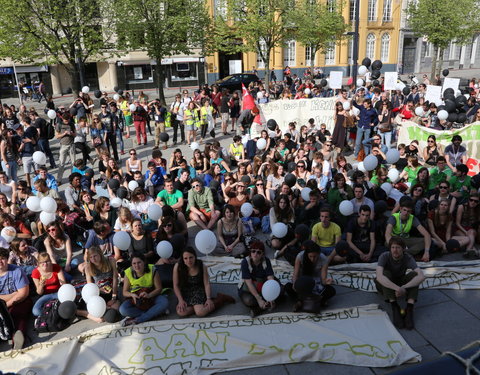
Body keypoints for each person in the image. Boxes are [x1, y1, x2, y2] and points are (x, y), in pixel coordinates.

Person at [375, 237, 425, 329]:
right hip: (385, 286)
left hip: (400, 282)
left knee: (414, 275)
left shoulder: (408, 257)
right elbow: (379, 277)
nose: (395, 250)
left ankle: (409, 309)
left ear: (403, 249)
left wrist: (404, 287)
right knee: (385, 274)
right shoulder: (384, 256)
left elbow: (421, 276)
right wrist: (397, 288)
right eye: (393, 247)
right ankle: (394, 307)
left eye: (398, 247)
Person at [173, 248, 235, 317]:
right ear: (183, 259)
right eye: (185, 258)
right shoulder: (178, 267)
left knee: (200, 313)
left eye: (191, 257)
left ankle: (220, 299)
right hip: (185, 291)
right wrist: (180, 300)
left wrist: (208, 299)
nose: (189, 260)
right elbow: (175, 285)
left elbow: (206, 284)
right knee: (180, 312)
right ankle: (198, 307)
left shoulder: (201, 266)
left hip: (198, 290)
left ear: (195, 257)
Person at [119, 252, 169, 326]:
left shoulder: (152, 269)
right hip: (137, 299)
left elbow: (159, 289)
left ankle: (138, 319)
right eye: (134, 263)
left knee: (164, 302)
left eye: (139, 262)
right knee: (122, 310)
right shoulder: (128, 272)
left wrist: (149, 295)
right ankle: (156, 312)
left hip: (151, 296)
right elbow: (125, 292)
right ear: (131, 264)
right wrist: (132, 295)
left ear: (144, 262)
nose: (137, 266)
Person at [286, 240, 336, 313]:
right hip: (303, 282)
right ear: (307, 254)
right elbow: (295, 274)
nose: (312, 259)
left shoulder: (324, 259)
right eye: (310, 256)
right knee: (288, 287)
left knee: (331, 291)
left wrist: (326, 282)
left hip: (316, 283)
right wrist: (294, 284)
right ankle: (313, 301)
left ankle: (301, 302)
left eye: (315, 257)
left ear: (319, 254)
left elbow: (323, 279)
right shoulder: (300, 257)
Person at [0, 247, 32, 349]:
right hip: (2, 304)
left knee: (17, 315)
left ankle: (18, 339)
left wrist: (5, 306)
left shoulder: (17, 270)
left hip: (21, 301)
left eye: (2, 258)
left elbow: (23, 293)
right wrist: (14, 293)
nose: (0, 261)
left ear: (6, 259)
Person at [238, 241, 278, 317]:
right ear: (250, 252)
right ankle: (265, 304)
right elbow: (248, 283)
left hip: (263, 284)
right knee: (249, 301)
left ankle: (261, 308)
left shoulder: (266, 261)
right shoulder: (245, 262)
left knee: (280, 289)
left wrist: (271, 296)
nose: (255, 254)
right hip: (249, 287)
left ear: (262, 254)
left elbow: (270, 278)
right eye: (253, 251)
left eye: (259, 252)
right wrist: (259, 299)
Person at [31, 252, 66, 317]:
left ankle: (54, 313)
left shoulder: (55, 267)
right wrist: (41, 285)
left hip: (57, 292)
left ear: (50, 261)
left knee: (67, 301)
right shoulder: (35, 272)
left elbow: (64, 285)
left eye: (47, 261)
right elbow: (39, 292)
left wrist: (62, 283)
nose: (45, 264)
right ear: (38, 263)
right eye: (42, 262)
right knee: (35, 311)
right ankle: (53, 315)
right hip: (45, 295)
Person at [56, 113, 76, 184]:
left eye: (68, 120)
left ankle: (73, 178)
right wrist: (64, 133)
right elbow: (57, 136)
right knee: (61, 163)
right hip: (63, 145)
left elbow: (75, 134)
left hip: (71, 144)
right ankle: (59, 180)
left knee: (73, 163)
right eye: (65, 120)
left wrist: (71, 133)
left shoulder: (71, 124)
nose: (67, 121)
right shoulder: (59, 125)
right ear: (62, 119)